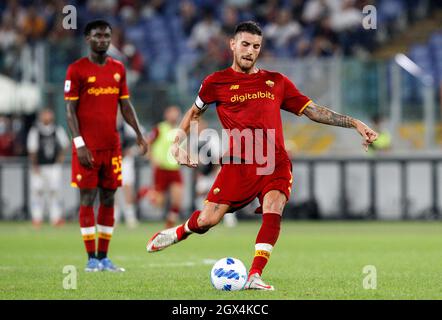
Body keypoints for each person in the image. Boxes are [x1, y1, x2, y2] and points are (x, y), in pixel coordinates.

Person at [146, 21, 378, 290]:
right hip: (238, 164)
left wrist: (355, 123)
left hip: (274, 161)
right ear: (232, 45)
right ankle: (180, 231)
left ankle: (255, 274)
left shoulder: (276, 82)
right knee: (208, 219)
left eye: (256, 46)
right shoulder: (215, 82)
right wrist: (177, 143)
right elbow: (194, 113)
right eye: (245, 44)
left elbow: (313, 111)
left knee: (274, 206)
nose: (250, 51)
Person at [64, 20, 148, 272]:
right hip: (86, 148)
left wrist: (139, 133)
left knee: (109, 198)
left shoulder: (118, 69)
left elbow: (125, 105)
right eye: (97, 35)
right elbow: (69, 110)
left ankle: (104, 257)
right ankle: (91, 259)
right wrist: (79, 143)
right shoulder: (76, 70)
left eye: (107, 36)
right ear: (87, 39)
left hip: (112, 147)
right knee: (88, 198)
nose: (103, 39)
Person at [27, 108, 69, 228]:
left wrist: (59, 159)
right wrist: (34, 165)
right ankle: (37, 218)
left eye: (49, 114)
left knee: (54, 191)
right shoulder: (35, 130)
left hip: (53, 166)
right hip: (39, 166)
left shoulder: (57, 129)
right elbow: (32, 149)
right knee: (37, 191)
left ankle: (55, 218)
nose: (47, 117)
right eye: (45, 115)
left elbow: (65, 145)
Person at [146, 105, 184, 228]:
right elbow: (148, 143)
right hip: (161, 168)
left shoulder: (180, 130)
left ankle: (170, 224)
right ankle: (145, 193)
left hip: (174, 169)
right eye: (172, 113)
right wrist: (152, 158)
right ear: (166, 115)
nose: (174, 116)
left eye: (176, 113)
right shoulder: (160, 128)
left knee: (177, 198)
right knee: (159, 202)